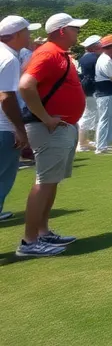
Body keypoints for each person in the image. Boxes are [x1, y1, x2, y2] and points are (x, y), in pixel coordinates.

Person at [16, 12, 88, 258]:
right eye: (74, 29)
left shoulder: (57, 53)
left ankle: (43, 232)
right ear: (61, 31)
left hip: (60, 127)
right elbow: (26, 85)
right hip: (48, 127)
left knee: (50, 182)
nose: (78, 32)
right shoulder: (48, 53)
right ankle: (29, 241)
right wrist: (46, 118)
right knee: (44, 182)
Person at [0, 16, 40, 223]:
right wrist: (20, 129)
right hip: (3, 127)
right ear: (16, 35)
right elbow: (6, 97)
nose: (29, 36)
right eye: (27, 31)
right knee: (4, 175)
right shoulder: (9, 58)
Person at [75, 35, 103, 152]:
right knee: (88, 115)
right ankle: (81, 143)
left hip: (84, 88)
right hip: (90, 90)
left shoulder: (83, 58)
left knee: (88, 114)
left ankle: (84, 140)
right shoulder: (93, 58)